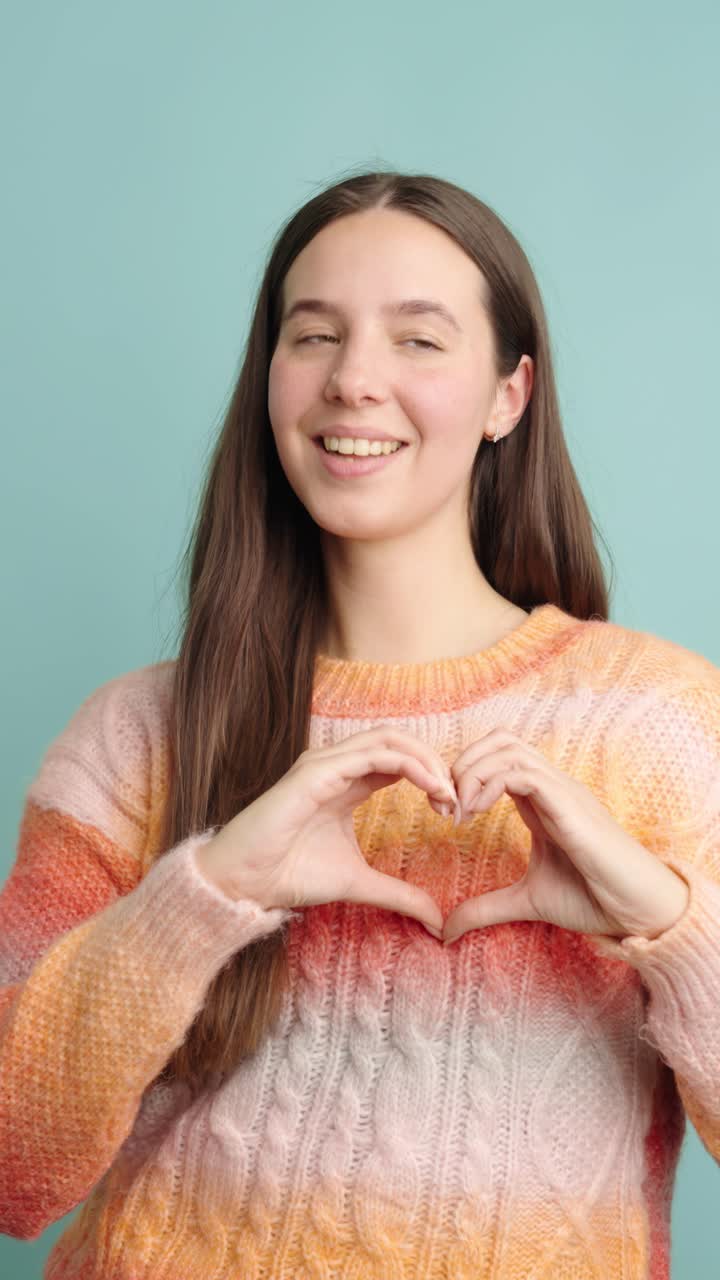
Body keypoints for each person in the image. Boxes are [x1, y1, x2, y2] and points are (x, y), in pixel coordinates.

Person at [1, 169, 718, 1280]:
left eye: (419, 340)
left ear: (507, 396)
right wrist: (207, 895)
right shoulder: (135, 733)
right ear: (270, 376)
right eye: (314, 334)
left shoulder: (659, 719)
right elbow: (14, 1168)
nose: (353, 381)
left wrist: (665, 923)